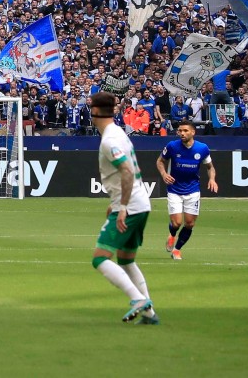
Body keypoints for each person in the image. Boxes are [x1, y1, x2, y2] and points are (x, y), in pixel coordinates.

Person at [89, 92, 159, 325]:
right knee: (126, 259)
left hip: (131, 207)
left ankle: (137, 299)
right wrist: (116, 203)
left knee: (100, 258)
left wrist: (122, 207)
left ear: (96, 112)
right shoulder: (118, 133)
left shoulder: (109, 140)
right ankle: (149, 314)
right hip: (140, 205)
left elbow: (127, 171)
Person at [156, 121, 218, 261]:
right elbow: (160, 161)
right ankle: (172, 235)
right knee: (177, 223)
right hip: (174, 189)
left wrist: (212, 179)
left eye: (185, 130)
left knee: (189, 223)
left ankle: (177, 250)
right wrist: (164, 174)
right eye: (180, 131)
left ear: (193, 132)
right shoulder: (172, 146)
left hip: (193, 189)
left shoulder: (202, 148)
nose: (182, 133)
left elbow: (210, 167)